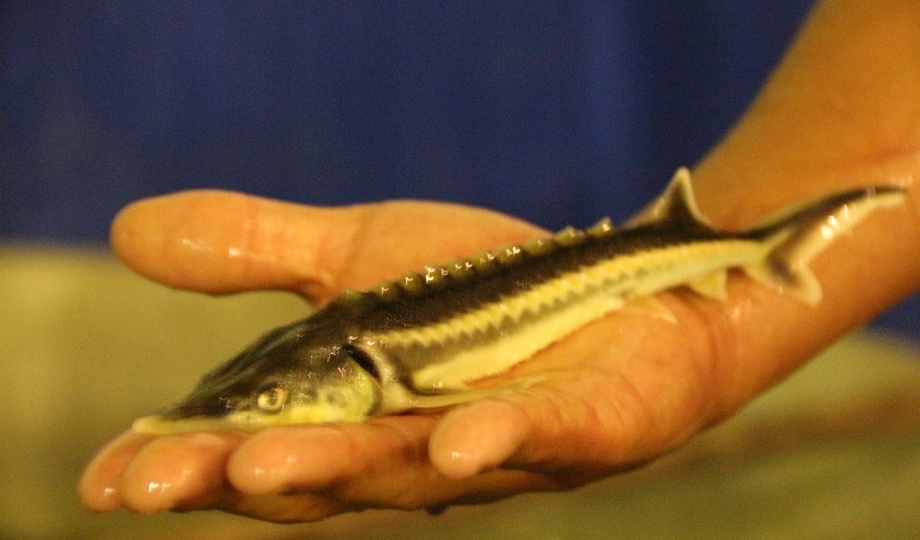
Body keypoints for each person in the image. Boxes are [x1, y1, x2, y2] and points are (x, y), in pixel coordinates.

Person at [79, 1, 920, 523]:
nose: (261, 410)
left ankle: (760, 247)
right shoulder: (352, 352)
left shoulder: (400, 372)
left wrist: (734, 295)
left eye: (271, 400)